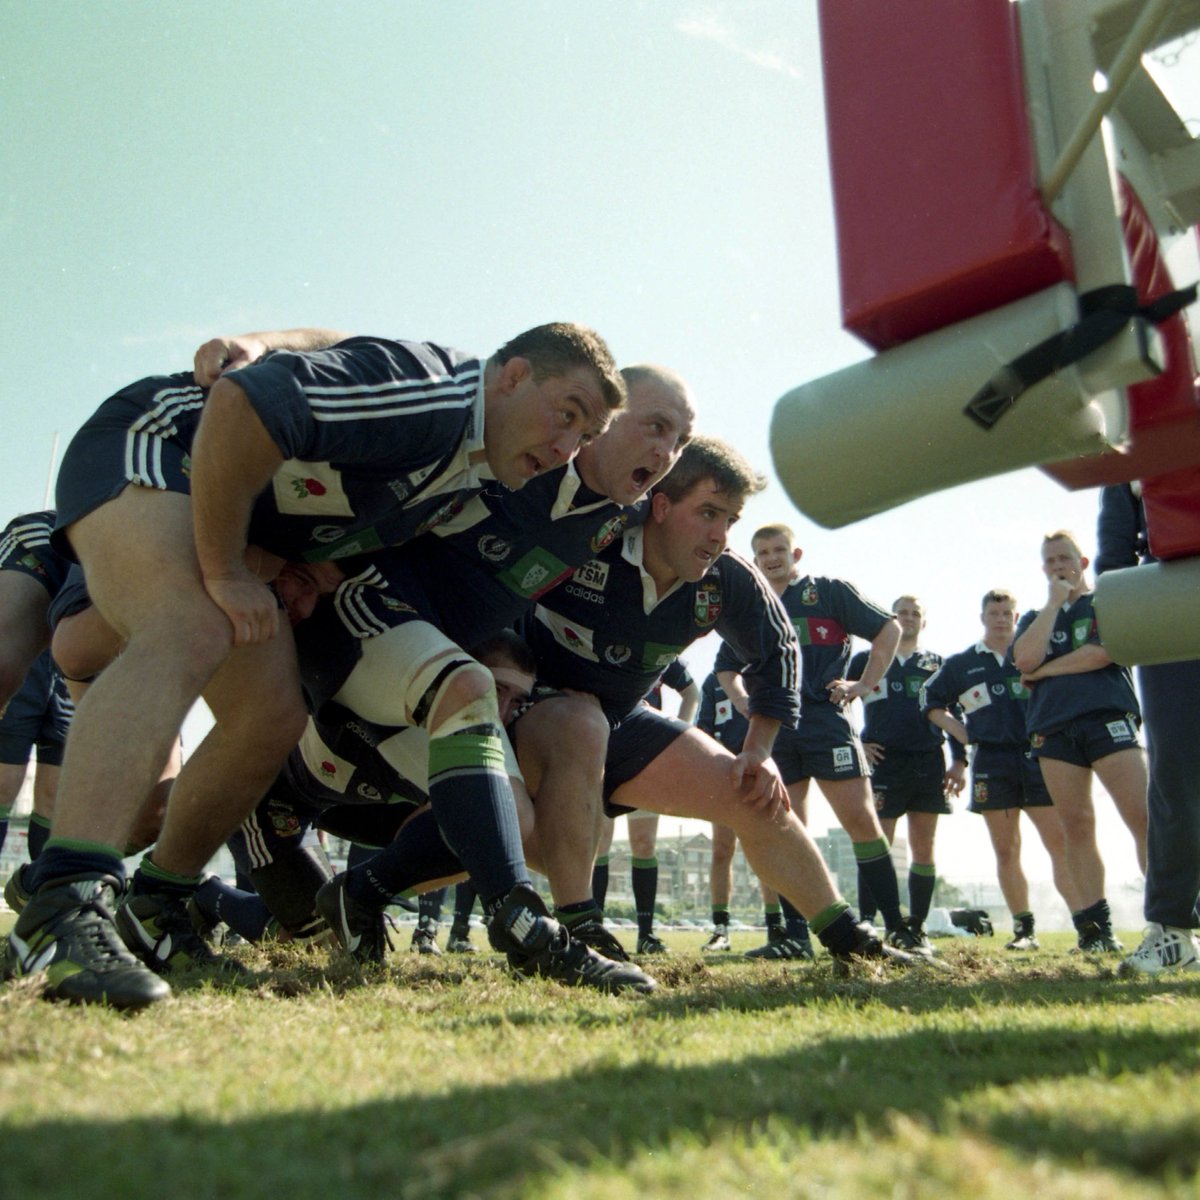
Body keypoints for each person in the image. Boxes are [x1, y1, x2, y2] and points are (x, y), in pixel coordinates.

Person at [5, 322, 624, 1009]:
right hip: (160, 443)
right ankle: (64, 902)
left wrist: (294, 565)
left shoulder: (470, 471)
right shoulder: (435, 397)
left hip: (239, 523)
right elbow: (244, 404)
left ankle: (157, 904)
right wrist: (226, 570)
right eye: (566, 413)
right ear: (510, 376)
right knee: (186, 624)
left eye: (586, 436)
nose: (568, 447)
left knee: (271, 718)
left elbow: (339, 353)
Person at [508, 438, 915, 968]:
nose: (721, 534)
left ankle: (854, 942)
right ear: (659, 505)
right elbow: (493, 591)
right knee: (480, 830)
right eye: (707, 512)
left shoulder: (727, 578)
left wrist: (760, 749)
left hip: (620, 721)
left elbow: (780, 650)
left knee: (751, 793)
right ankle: (569, 928)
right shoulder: (594, 531)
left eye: (731, 518)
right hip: (524, 720)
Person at [717, 525, 908, 957]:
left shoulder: (829, 592)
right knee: (786, 828)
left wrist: (864, 684)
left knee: (861, 821)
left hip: (827, 721)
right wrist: (747, 703)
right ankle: (796, 939)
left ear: (795, 552)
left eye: (778, 550)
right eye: (761, 552)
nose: (771, 558)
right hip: (776, 729)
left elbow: (888, 630)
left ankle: (900, 928)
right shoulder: (752, 608)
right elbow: (725, 667)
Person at [1012, 530, 1149, 953]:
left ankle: (1172, 915)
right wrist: (1054, 604)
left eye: (1064, 558)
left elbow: (1101, 653)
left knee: (1143, 817)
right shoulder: (1035, 615)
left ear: (1083, 562)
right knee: (1076, 826)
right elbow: (1024, 660)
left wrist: (1048, 671)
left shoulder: (1104, 602)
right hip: (1053, 727)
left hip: (1107, 717)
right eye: (1049, 560)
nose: (1057, 566)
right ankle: (1095, 930)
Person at [922, 589, 1081, 950]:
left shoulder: (1032, 653)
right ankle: (1025, 931)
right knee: (1007, 849)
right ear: (983, 617)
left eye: (1007, 612)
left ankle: (1088, 926)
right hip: (992, 762)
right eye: (994, 612)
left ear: (1016, 616)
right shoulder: (962, 664)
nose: (1001, 618)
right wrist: (964, 734)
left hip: (1040, 755)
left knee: (1061, 844)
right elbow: (929, 702)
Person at [1095, 485, 1200, 975]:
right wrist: (1122, 613)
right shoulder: (1139, 437)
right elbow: (1113, 549)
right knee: (1176, 771)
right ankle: (1172, 929)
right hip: (1167, 592)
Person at [848, 595, 965, 954]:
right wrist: (857, 744)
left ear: (924, 622)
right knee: (876, 842)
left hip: (928, 762)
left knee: (924, 846)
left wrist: (959, 761)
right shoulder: (866, 660)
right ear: (892, 620)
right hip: (883, 761)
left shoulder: (936, 664)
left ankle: (917, 925)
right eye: (902, 613)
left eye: (916, 613)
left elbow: (956, 711)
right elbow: (840, 705)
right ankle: (869, 920)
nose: (909, 618)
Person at [591, 658, 701, 955]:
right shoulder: (604, 641)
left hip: (642, 758)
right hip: (602, 753)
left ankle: (646, 934)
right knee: (598, 843)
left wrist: (674, 736)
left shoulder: (661, 650)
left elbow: (692, 693)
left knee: (644, 843)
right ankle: (592, 930)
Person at [694, 669, 750, 951]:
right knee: (722, 849)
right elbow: (702, 729)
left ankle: (778, 928)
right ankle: (721, 929)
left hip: (762, 772)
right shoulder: (712, 680)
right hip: (725, 776)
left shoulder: (765, 667)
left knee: (765, 847)